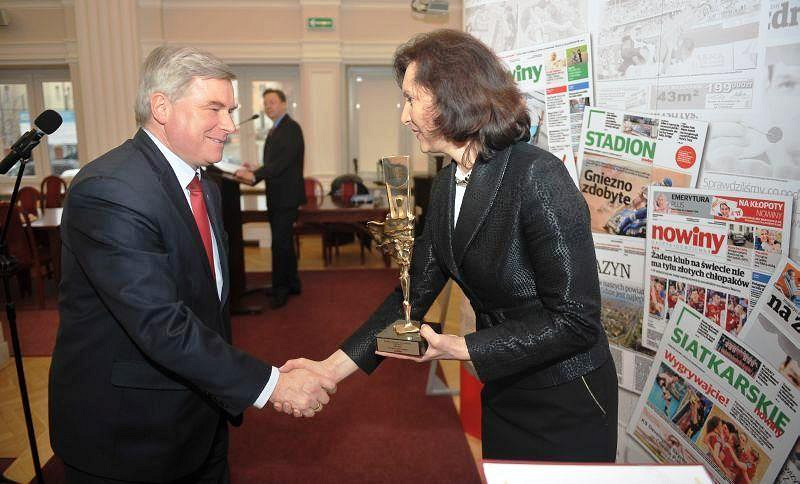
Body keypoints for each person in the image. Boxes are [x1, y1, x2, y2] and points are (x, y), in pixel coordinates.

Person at [280, 29, 618, 462]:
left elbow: (576, 321)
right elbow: (411, 296)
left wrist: (461, 347)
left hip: (568, 397)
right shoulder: (444, 187)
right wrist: (330, 368)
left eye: (411, 98)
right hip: (504, 386)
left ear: (452, 95)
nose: (404, 116)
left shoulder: (537, 176)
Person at [49, 46, 335, 483]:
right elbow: (161, 324)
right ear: (161, 107)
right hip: (129, 437)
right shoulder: (112, 189)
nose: (229, 125)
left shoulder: (204, 184)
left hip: (199, 421)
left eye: (231, 110)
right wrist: (273, 384)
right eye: (214, 109)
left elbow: (206, 306)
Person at [235, 89, 306, 309]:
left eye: (273, 102)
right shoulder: (276, 129)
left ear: (284, 104)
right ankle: (293, 283)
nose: (268, 107)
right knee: (284, 243)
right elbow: (276, 163)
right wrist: (256, 168)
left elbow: (282, 163)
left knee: (280, 244)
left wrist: (256, 175)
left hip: (286, 198)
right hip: (277, 196)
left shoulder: (291, 129)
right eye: (265, 104)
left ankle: (280, 290)